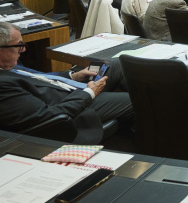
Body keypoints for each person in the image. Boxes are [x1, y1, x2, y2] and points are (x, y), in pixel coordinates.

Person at [0, 22, 133, 144]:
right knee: (137, 100)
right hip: (74, 106)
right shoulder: (3, 86)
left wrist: (73, 76)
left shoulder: (7, 66)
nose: (23, 50)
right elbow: (49, 116)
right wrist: (89, 93)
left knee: (116, 63)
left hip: (70, 88)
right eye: (19, 45)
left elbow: (40, 78)